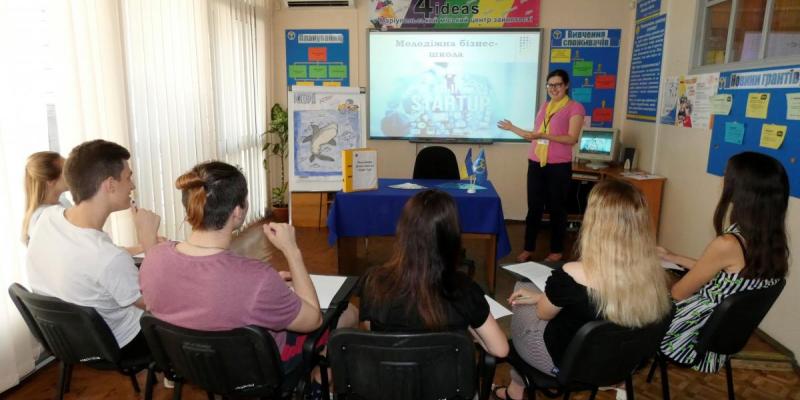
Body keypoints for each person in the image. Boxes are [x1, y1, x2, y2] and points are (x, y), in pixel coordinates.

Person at [139, 161, 323, 374]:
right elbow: (313, 320)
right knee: (346, 315)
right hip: (257, 369)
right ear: (237, 212)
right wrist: (292, 251)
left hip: (192, 366)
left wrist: (267, 290)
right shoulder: (257, 279)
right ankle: (319, 383)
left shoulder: (153, 258)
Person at [494, 180, 672, 400]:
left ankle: (513, 384)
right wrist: (543, 297)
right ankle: (516, 388)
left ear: (595, 223)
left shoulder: (573, 274)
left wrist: (543, 299)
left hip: (566, 365)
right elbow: (596, 305)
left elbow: (543, 314)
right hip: (620, 364)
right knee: (542, 299)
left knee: (522, 287)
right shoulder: (655, 277)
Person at [26, 139, 161, 357]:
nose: (133, 186)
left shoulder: (45, 219)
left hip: (67, 339)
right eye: (128, 177)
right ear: (110, 185)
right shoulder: (107, 257)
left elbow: (93, 261)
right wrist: (150, 244)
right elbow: (157, 302)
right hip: (120, 344)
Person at [659, 152, 789, 373]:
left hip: (686, 338)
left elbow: (678, 293)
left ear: (742, 191)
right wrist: (673, 257)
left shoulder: (728, 244)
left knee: (628, 306)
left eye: (727, 176)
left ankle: (618, 374)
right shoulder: (771, 240)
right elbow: (727, 275)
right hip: (719, 339)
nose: (722, 181)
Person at [358, 189, 509, 358]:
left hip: (389, 373)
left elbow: (370, 329)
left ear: (403, 232)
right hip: (446, 375)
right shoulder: (465, 291)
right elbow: (500, 349)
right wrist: (469, 325)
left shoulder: (374, 281)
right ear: (452, 237)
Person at [497, 69, 585, 263]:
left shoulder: (575, 107)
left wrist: (545, 135)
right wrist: (512, 127)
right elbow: (533, 136)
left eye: (557, 85)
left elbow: (571, 138)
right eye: (550, 85)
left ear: (566, 85)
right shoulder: (545, 106)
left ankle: (556, 250)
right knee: (534, 208)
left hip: (558, 166)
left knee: (557, 209)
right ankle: (528, 248)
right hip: (536, 163)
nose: (553, 88)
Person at [21, 151, 69, 244]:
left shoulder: (64, 202)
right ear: (50, 181)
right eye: (67, 170)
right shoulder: (41, 217)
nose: (73, 174)